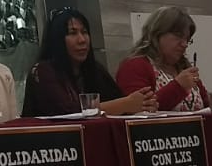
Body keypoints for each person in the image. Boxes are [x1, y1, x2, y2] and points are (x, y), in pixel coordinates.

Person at [22, 8, 155, 116]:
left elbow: (118, 99)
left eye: (84, 32)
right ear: (57, 40)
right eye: (72, 33)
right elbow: (68, 113)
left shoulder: (95, 69)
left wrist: (143, 104)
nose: (82, 40)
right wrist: (124, 105)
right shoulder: (42, 71)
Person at [116, 6, 208, 112]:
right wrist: (178, 87)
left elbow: (207, 106)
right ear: (157, 34)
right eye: (178, 36)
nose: (185, 44)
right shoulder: (134, 66)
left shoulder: (184, 68)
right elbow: (140, 110)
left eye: (187, 39)